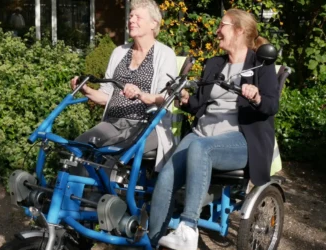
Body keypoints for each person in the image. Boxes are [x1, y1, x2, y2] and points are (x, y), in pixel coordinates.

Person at [148, 8, 279, 250]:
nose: (217, 31)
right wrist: (186, 100)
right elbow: (199, 104)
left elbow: (272, 105)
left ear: (239, 31)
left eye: (222, 26)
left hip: (241, 140)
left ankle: (188, 228)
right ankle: (153, 243)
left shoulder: (260, 64)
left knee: (200, 147)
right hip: (202, 134)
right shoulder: (214, 64)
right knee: (165, 179)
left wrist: (257, 97)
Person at [70, 0, 177, 171]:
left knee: (108, 152)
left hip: (146, 126)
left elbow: (165, 97)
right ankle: (73, 194)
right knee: (78, 148)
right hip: (112, 123)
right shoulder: (119, 52)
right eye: (130, 16)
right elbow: (106, 96)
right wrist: (86, 89)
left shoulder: (165, 54)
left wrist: (140, 94)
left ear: (153, 23)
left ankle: (101, 195)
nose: (131, 20)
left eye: (138, 17)